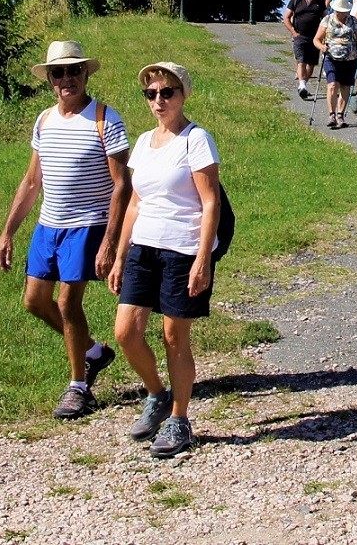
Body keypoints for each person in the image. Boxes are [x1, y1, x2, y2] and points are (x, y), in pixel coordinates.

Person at [0, 40, 132, 420]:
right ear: (50, 80)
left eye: (74, 70)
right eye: (59, 72)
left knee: (69, 303)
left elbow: (123, 184)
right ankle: (92, 352)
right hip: (48, 225)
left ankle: (78, 387)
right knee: (35, 302)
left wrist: (109, 240)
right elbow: (31, 181)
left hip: (86, 225)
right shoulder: (44, 120)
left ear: (86, 74)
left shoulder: (106, 118)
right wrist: (8, 232)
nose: (67, 78)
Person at [108, 62, 221, 458]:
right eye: (151, 93)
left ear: (183, 94)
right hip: (143, 246)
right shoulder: (142, 142)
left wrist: (203, 258)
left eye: (166, 92)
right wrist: (121, 255)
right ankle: (157, 393)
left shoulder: (197, 139)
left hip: (183, 249)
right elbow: (136, 204)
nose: (159, 100)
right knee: (126, 332)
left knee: (175, 336)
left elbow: (210, 203)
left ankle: (179, 419)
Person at [314, 0, 357, 129]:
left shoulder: (353, 21)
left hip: (350, 58)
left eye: (342, 11)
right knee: (332, 84)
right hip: (331, 57)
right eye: (338, 11)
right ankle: (332, 114)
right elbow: (316, 39)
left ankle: (340, 115)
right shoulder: (327, 20)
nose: (340, 13)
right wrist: (322, 47)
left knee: (345, 87)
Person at [282, 0, 327, 100]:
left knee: (311, 64)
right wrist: (293, 32)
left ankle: (303, 86)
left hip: (315, 37)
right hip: (300, 36)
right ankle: (302, 85)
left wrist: (324, 34)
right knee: (301, 60)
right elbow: (286, 17)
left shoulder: (320, 0)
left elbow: (326, 18)